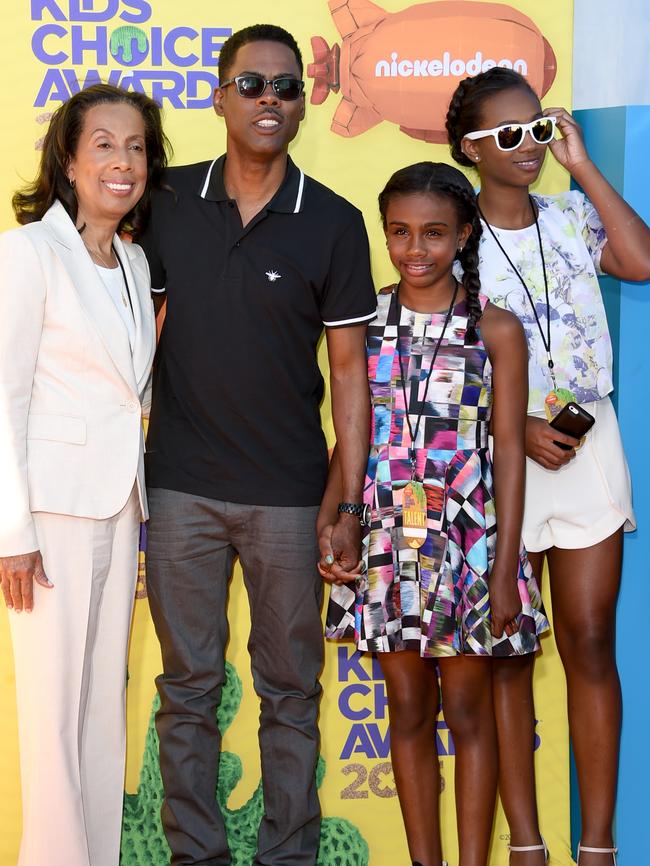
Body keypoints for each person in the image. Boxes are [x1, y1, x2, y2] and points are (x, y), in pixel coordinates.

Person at [136, 24, 376, 866]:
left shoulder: (336, 223)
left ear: (303, 102)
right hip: (178, 490)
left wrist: (347, 499)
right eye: (252, 84)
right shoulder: (162, 201)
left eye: (285, 86)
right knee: (188, 693)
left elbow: (351, 378)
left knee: (291, 694)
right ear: (219, 95)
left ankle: (289, 856)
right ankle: (193, 856)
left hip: (290, 495)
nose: (269, 99)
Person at [446, 67, 650, 866]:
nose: (526, 146)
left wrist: (584, 166)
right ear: (469, 148)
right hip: (503, 451)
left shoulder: (571, 213)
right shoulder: (453, 237)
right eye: (508, 135)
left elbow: (638, 262)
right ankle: (526, 843)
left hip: (588, 439)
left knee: (591, 639)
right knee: (510, 649)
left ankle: (597, 847)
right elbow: (445, 358)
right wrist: (516, 425)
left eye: (536, 128)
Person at [318, 162, 549, 866]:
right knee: (408, 712)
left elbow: (508, 451)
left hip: (470, 541)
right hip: (389, 537)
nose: (415, 248)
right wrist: (337, 518)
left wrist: (505, 564)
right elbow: (351, 434)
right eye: (399, 232)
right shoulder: (364, 321)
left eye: (434, 233)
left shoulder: (496, 328)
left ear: (464, 235)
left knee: (471, 716)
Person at [0, 83, 169, 866]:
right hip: (50, 517)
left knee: (103, 710)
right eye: (103, 144)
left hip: (117, 509)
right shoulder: (28, 252)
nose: (122, 161)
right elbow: (4, 395)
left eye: (135, 146)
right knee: (51, 716)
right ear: (68, 160)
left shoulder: (134, 263)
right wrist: (13, 532)